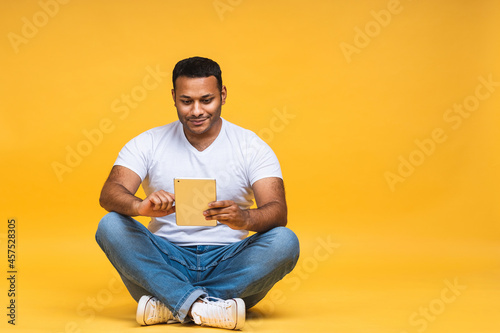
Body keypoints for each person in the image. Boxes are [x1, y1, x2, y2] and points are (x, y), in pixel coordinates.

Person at [95, 56, 300, 330]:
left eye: (206, 100)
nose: (196, 110)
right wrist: (140, 206)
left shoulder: (252, 146)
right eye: (186, 101)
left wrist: (246, 219)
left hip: (228, 261)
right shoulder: (148, 142)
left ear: (223, 95)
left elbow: (278, 211)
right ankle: (208, 308)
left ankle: (172, 304)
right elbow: (109, 193)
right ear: (174, 97)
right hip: (165, 260)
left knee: (285, 242)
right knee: (110, 225)